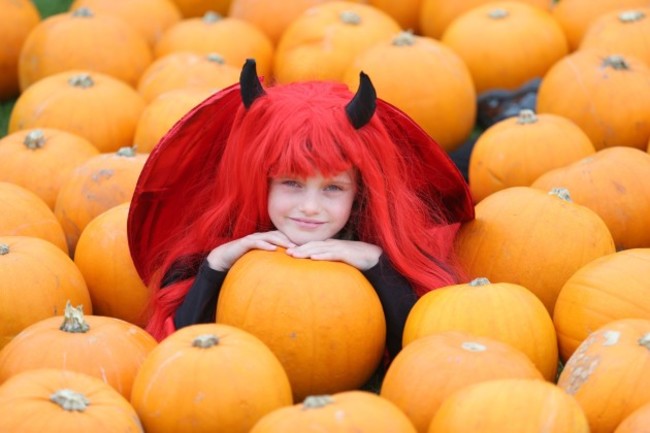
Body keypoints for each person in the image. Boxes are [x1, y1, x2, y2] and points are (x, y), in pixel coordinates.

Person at [127, 59, 474, 362]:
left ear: (360, 192)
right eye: (291, 183)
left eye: (333, 188)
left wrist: (376, 262)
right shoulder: (231, 240)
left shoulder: (373, 243)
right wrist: (215, 265)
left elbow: (416, 352)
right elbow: (180, 348)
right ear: (261, 181)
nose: (310, 208)